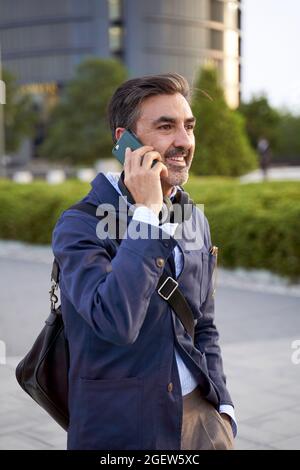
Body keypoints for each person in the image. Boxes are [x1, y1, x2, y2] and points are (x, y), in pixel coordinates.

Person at [52, 73, 237, 450]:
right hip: (121, 428)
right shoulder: (80, 224)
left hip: (203, 420)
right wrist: (148, 214)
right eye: (165, 127)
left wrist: (224, 406)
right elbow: (116, 322)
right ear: (125, 143)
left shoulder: (193, 217)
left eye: (188, 126)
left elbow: (204, 323)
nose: (184, 141)